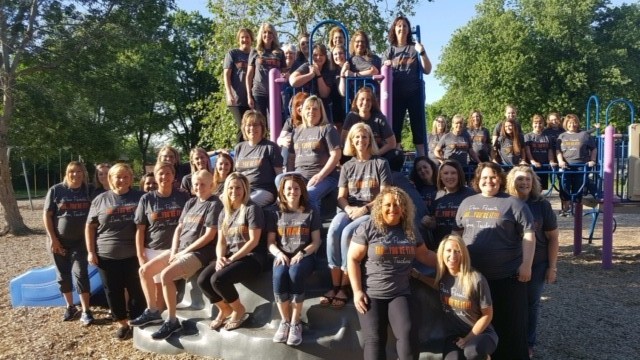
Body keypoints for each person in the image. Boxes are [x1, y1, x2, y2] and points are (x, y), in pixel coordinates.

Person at [455, 162, 535, 360]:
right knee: (477, 325)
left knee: (511, 326)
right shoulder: (467, 203)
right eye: (484, 177)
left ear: (500, 179)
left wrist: (526, 265)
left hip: (507, 277)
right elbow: (457, 234)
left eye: (493, 177)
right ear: (477, 180)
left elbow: (529, 235)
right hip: (474, 279)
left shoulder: (514, 203)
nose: (488, 181)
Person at [130, 170, 222, 340]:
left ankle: (172, 321)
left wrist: (184, 252)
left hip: (199, 252)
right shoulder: (191, 202)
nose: (199, 187)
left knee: (166, 275)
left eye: (203, 184)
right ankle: (152, 311)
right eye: (196, 184)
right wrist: (173, 251)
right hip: (179, 249)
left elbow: (209, 235)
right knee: (144, 271)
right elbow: (179, 229)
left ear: (211, 185)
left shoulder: (214, 204)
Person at [347, 187, 437, 360]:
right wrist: (357, 291)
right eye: (387, 204)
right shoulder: (368, 228)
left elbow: (424, 255)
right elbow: (352, 259)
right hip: (371, 294)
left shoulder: (410, 229)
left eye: (397, 204)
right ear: (380, 206)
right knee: (374, 341)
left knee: (408, 335)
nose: (392, 208)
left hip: (400, 292)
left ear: (404, 207)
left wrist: (452, 263)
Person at [324, 123, 392, 309]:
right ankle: (334, 284)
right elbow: (340, 197)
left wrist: (364, 209)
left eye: (364, 137)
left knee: (348, 233)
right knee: (334, 231)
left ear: (370, 139)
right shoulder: (347, 166)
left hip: (372, 210)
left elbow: (384, 196)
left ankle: (345, 286)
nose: (361, 140)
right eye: (357, 137)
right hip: (349, 209)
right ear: (351, 141)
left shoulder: (380, 163)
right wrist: (348, 210)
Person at [197, 172, 266, 331]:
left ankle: (239, 310)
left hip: (252, 257)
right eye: (231, 188)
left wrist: (231, 258)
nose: (234, 191)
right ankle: (224, 309)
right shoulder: (224, 212)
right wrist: (220, 257)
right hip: (231, 256)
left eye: (238, 188)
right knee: (203, 280)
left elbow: (253, 241)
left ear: (245, 189)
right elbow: (221, 241)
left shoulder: (252, 209)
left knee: (218, 279)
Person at [86, 163, 146, 340]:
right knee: (113, 291)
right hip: (106, 254)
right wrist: (91, 251)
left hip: (134, 254)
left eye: (125, 176)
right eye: (118, 177)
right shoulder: (101, 200)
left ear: (131, 178)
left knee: (137, 291)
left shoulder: (141, 197)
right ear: (110, 179)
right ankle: (122, 323)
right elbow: (90, 227)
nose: (122, 180)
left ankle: (136, 322)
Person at [506, 166, 558, 359]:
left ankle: (528, 343)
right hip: (509, 263)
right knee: (510, 302)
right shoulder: (505, 202)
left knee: (531, 303)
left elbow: (553, 237)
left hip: (537, 263)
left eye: (528, 179)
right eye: (520, 179)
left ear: (533, 182)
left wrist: (552, 267)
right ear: (512, 181)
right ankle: (511, 339)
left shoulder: (541, 205)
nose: (524, 183)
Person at [266, 174, 322, 346]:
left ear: (302, 191)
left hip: (304, 255)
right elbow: (270, 243)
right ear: (282, 191)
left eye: (296, 188)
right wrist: (278, 253)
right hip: (282, 254)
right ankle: (285, 321)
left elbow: (316, 241)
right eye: (288, 188)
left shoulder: (311, 210)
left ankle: (296, 322)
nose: (292, 191)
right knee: (279, 276)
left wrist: (302, 253)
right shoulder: (274, 212)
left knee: (295, 273)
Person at [132, 161, 190, 324]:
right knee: (157, 288)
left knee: (172, 286)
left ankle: (166, 318)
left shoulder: (183, 196)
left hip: (176, 249)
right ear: (156, 177)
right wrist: (140, 254)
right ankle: (159, 318)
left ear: (173, 176)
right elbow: (140, 229)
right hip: (153, 249)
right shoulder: (147, 199)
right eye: (160, 174)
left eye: (168, 173)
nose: (164, 177)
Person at [43, 161, 94, 325]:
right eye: (72, 171)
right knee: (63, 275)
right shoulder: (57, 190)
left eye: (79, 171)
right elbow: (47, 215)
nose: (76, 175)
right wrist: (53, 239)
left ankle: (86, 310)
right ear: (67, 173)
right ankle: (70, 306)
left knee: (81, 273)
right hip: (59, 241)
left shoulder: (89, 190)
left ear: (83, 173)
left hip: (80, 242)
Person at [432, 234, 498, 360]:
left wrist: (468, 339)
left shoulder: (476, 279)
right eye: (448, 251)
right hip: (455, 335)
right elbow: (436, 286)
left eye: (457, 251)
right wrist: (417, 276)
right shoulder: (442, 277)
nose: (452, 256)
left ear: (463, 254)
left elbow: (487, 315)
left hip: (481, 334)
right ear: (441, 253)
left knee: (472, 352)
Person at [383, 15, 432, 157]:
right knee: (396, 126)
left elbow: (427, 70)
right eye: (399, 26)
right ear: (394, 29)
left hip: (414, 92)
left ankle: (422, 157)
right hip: (396, 93)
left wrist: (422, 52)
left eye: (405, 26)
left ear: (408, 30)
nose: (402, 29)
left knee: (417, 125)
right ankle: (396, 158)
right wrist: (386, 65)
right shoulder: (390, 51)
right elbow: (383, 70)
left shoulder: (414, 48)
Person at [285, 96, 342, 213]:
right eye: (308, 108)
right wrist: (289, 178)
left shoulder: (327, 128)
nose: (311, 112)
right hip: (300, 176)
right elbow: (291, 157)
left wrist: (320, 176)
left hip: (325, 177)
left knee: (309, 196)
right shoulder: (297, 130)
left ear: (321, 112)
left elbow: (336, 155)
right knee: (279, 180)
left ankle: (314, 228)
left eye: (315, 109)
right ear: (303, 111)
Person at [341, 87, 403, 170]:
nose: (365, 102)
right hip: (356, 154)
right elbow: (343, 140)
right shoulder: (351, 117)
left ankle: (389, 178)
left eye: (368, 100)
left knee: (396, 154)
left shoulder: (379, 118)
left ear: (372, 102)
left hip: (376, 155)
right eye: (362, 99)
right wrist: (359, 155)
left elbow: (392, 143)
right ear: (356, 102)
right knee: (340, 153)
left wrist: (374, 155)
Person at [422, 159, 475, 250]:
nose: (450, 176)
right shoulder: (436, 196)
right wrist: (429, 222)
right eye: (446, 173)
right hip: (442, 247)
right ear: (440, 177)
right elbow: (434, 222)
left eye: (453, 173)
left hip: (464, 247)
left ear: (459, 175)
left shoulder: (470, 195)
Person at [234, 110, 284, 206]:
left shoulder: (270, 147)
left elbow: (279, 176)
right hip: (242, 190)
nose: (252, 128)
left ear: (262, 127)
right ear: (244, 128)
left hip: (264, 190)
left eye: (256, 125)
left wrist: (281, 196)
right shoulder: (239, 148)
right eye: (249, 125)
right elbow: (235, 175)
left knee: (246, 204)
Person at [556, 113, 597, 215]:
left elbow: (593, 148)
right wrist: (560, 161)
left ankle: (576, 210)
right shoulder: (562, 136)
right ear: (566, 123)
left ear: (577, 123)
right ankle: (566, 209)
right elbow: (558, 151)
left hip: (581, 165)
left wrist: (592, 160)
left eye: (574, 122)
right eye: (570, 122)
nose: (572, 124)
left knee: (578, 186)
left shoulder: (584, 135)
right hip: (566, 165)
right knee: (564, 185)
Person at [246, 23, 285, 118]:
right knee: (260, 122)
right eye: (265, 32)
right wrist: (249, 95)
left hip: (275, 92)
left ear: (274, 35)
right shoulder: (255, 51)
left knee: (276, 121)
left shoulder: (280, 52)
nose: (267, 35)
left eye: (270, 33)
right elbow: (249, 75)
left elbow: (284, 72)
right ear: (261, 34)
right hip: (259, 92)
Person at [224, 27, 253, 141]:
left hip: (251, 98)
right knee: (243, 127)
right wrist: (229, 93)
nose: (245, 40)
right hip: (236, 99)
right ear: (238, 39)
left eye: (247, 37)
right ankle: (239, 154)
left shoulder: (254, 54)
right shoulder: (233, 54)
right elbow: (226, 75)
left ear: (251, 39)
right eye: (242, 37)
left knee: (253, 126)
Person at [289, 43, 335, 116]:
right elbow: (293, 81)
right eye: (315, 55)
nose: (318, 57)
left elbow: (324, 94)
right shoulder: (307, 66)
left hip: (321, 105)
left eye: (321, 55)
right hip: (304, 104)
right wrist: (310, 75)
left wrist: (318, 74)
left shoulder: (328, 70)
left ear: (325, 57)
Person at [277, 92, 309, 171]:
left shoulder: (314, 120)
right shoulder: (291, 121)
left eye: (304, 104)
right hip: (293, 152)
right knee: (288, 138)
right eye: (298, 105)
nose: (301, 107)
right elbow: (279, 139)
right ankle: (286, 170)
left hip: (307, 150)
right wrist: (283, 141)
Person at [525, 114, 555, 189]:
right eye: (536, 123)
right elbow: (527, 151)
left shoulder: (547, 137)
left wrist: (551, 161)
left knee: (542, 188)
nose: (538, 125)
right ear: (532, 124)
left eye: (540, 123)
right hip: (533, 167)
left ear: (543, 124)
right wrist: (533, 161)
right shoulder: (528, 136)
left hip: (544, 165)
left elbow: (550, 151)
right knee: (532, 187)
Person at [330, 45, 348, 129]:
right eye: (335, 54)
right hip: (337, 106)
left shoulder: (352, 66)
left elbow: (344, 93)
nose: (338, 56)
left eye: (341, 53)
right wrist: (342, 73)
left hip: (349, 104)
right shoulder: (332, 71)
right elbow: (342, 92)